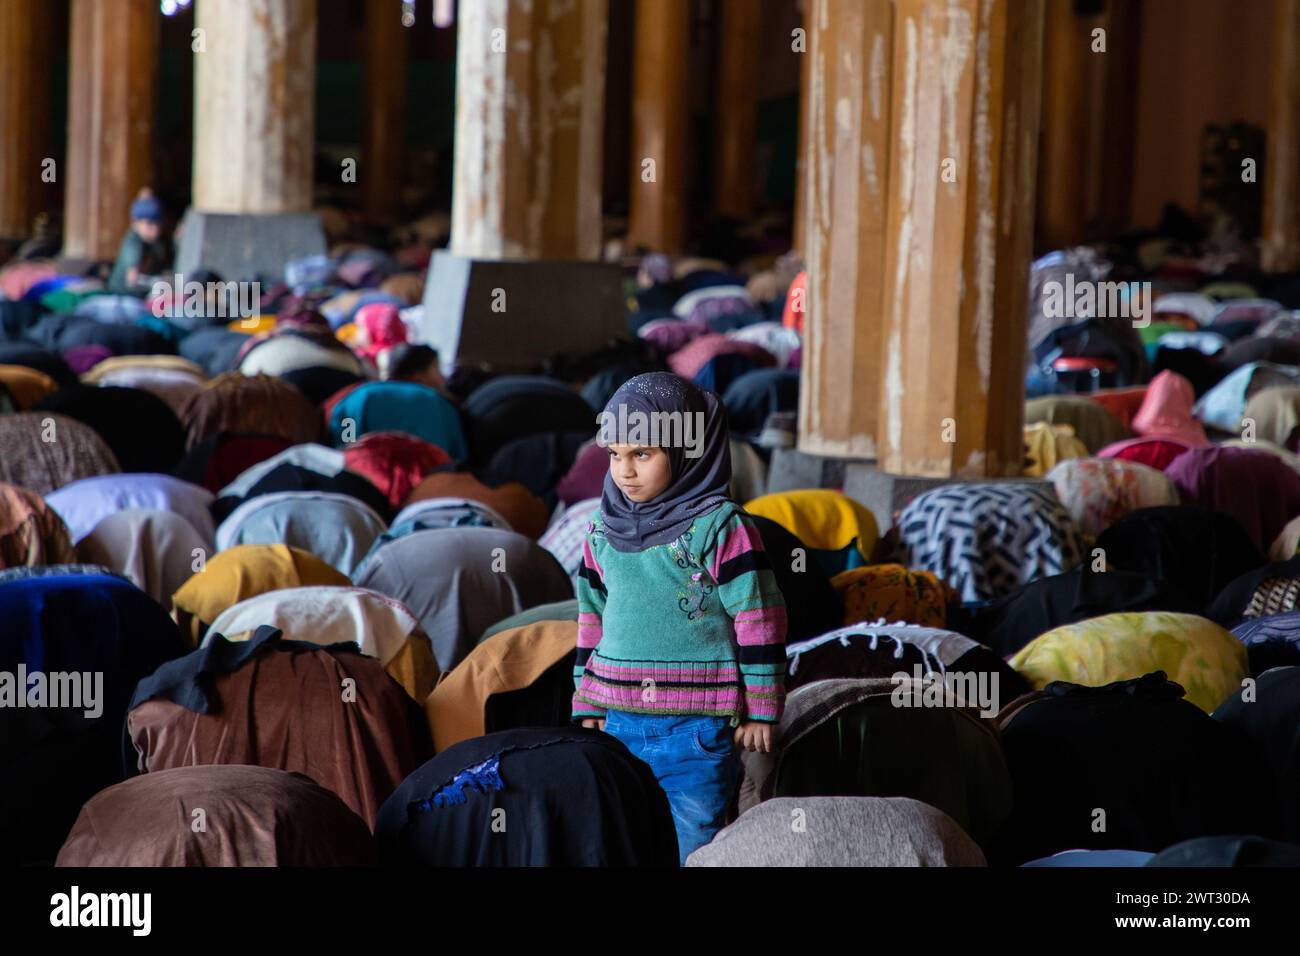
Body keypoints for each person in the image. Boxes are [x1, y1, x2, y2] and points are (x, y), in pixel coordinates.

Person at [572, 371, 787, 864]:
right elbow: (591, 617)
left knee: (696, 842)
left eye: (643, 454)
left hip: (697, 724)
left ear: (688, 449)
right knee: (627, 836)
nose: (624, 471)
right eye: (615, 454)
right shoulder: (602, 529)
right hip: (616, 719)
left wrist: (760, 708)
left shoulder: (720, 526)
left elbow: (760, 618)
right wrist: (585, 694)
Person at [108, 188, 168, 292]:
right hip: (122, 298)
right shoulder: (133, 243)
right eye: (149, 223)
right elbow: (132, 280)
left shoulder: (158, 243)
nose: (155, 228)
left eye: (157, 223)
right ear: (135, 223)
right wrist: (158, 283)